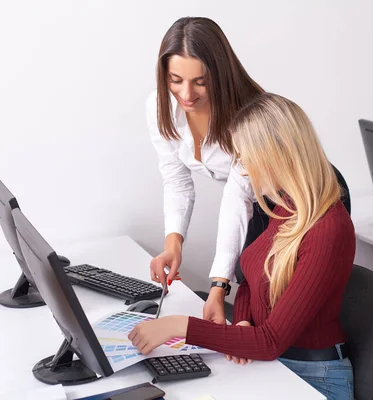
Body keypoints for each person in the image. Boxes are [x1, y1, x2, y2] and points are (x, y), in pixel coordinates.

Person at [131, 93, 356, 400]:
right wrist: (242, 319)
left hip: (314, 379)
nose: (243, 170)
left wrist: (179, 326)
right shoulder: (285, 206)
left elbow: (269, 341)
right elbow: (252, 274)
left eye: (244, 157)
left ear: (276, 155)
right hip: (276, 365)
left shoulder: (327, 229)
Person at [146, 17, 263, 324]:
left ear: (220, 74)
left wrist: (218, 286)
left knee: (262, 294)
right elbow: (176, 181)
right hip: (253, 203)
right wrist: (173, 242)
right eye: (175, 80)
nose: (186, 93)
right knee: (247, 285)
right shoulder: (161, 107)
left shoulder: (248, 117)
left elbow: (238, 198)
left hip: (299, 202)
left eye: (200, 81)